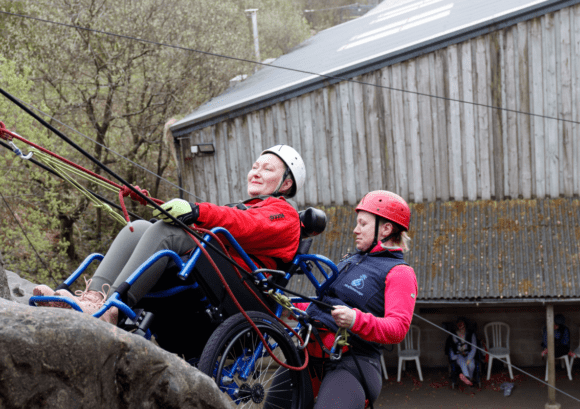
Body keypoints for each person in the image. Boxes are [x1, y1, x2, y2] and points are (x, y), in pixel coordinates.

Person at [33, 144, 306, 326]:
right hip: (215, 270)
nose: (256, 172)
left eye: (267, 169)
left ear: (287, 183)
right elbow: (232, 221)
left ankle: (111, 311)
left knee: (166, 231)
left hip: (244, 288)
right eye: (255, 166)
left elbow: (245, 225)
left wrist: (195, 211)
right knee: (139, 227)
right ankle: (92, 299)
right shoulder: (248, 207)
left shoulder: (284, 214)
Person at [292, 190, 417, 409]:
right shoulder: (351, 260)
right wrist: (290, 306)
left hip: (352, 363)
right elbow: (322, 305)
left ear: (386, 228)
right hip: (310, 353)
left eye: (363, 224)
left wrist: (355, 320)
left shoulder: (400, 273)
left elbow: (398, 328)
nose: (355, 230)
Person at [446, 317, 478, 386]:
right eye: (460, 328)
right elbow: (452, 348)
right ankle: (467, 377)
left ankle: (470, 378)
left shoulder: (471, 335)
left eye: (463, 328)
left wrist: (469, 358)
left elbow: (474, 348)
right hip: (459, 355)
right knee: (462, 362)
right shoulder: (454, 335)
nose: (462, 330)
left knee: (471, 365)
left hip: (469, 354)